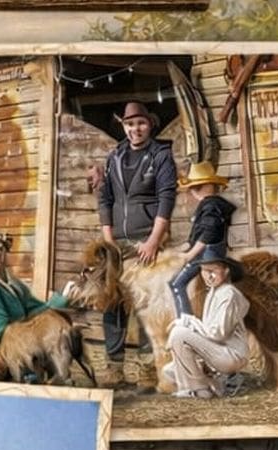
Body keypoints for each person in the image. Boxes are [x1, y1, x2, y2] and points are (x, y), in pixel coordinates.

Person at [96, 101, 178, 379]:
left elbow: (167, 197)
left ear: (150, 124)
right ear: (124, 126)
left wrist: (155, 239)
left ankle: (147, 366)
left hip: (147, 242)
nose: (136, 129)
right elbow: (105, 199)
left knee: (146, 302)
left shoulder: (161, 155)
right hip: (117, 243)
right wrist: (109, 242)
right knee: (113, 301)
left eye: (141, 123)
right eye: (130, 124)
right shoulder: (114, 157)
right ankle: (114, 367)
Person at [0, 227, 70, 357]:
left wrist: (62, 299)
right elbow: (1, 326)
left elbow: (34, 308)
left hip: (13, 335)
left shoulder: (11, 281)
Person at [164, 249, 249, 399]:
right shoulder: (214, 291)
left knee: (179, 333)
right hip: (217, 351)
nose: (208, 276)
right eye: (204, 270)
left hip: (230, 355)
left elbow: (218, 334)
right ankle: (214, 384)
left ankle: (199, 389)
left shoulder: (228, 294)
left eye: (213, 270)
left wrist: (191, 323)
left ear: (226, 270)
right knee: (169, 371)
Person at [167, 161, 236, 317]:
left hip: (207, 256)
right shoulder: (213, 205)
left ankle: (185, 320)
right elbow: (196, 237)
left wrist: (190, 254)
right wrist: (177, 250)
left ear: (205, 186)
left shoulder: (210, 206)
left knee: (177, 284)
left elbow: (208, 234)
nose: (192, 191)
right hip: (212, 252)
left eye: (195, 187)